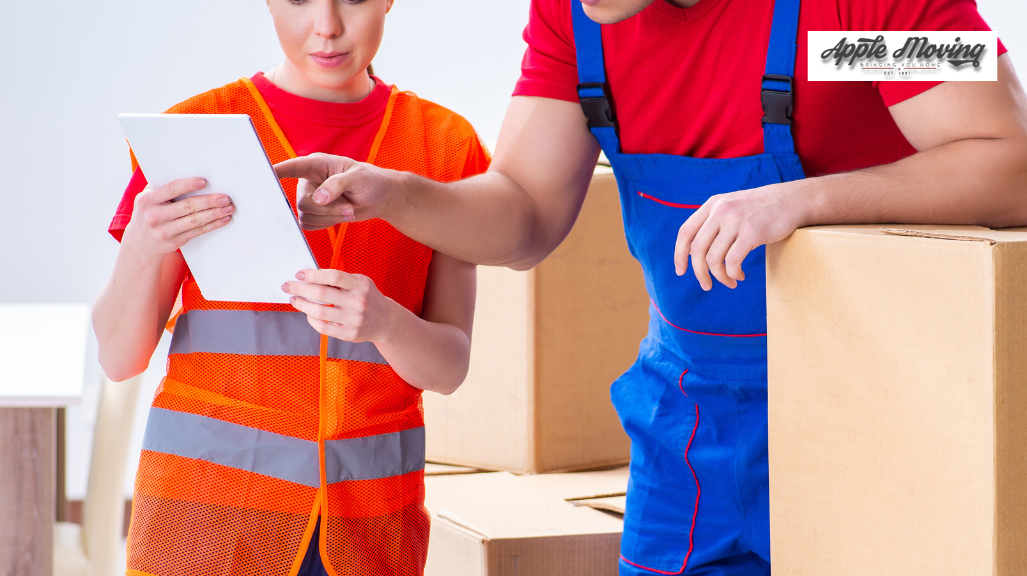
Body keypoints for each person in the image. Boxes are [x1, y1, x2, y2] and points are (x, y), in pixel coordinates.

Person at [275, 0, 1027, 574]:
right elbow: (525, 215)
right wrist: (399, 195)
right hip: (689, 431)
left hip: (881, 426)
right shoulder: (576, 21)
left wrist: (806, 201)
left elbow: (1009, 162)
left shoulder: (850, 16)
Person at [92, 1, 490, 575]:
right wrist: (141, 245)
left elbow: (449, 367)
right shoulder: (195, 134)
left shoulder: (444, 146)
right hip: (205, 520)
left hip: (368, 529)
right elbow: (118, 357)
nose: (326, 26)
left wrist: (385, 323)